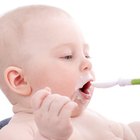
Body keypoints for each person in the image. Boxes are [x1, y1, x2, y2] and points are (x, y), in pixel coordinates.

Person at [0, 4, 139, 140]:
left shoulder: (92, 118)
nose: (87, 63)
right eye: (67, 56)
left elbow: (131, 134)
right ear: (20, 80)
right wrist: (49, 137)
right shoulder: (17, 132)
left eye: (86, 55)